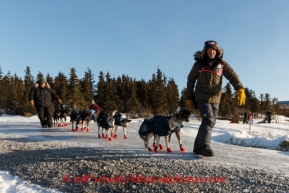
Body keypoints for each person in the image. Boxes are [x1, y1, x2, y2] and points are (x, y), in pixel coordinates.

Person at [186, 40, 246, 157]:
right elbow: (190, 79)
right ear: (205, 51)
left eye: (213, 50)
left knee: (210, 122)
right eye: (209, 50)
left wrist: (240, 89)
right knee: (208, 119)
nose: (211, 52)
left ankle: (197, 146)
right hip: (201, 96)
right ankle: (204, 146)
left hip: (215, 98)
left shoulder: (222, 64)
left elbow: (233, 77)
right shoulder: (199, 64)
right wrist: (189, 97)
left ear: (217, 51)